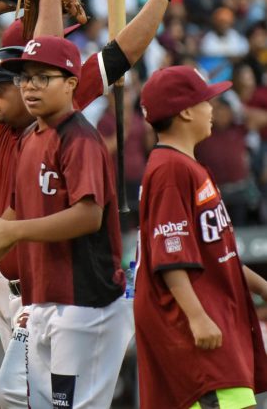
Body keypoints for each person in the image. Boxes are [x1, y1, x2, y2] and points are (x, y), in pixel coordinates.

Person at [0, 0, 203, 407]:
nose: (22, 85)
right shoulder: (3, 114)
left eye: (32, 76)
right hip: (14, 284)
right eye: (18, 76)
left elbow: (121, 51)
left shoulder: (63, 113)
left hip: (66, 294)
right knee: (27, 397)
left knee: (22, 394)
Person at [0, 36, 133, 408]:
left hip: (86, 301)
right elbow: (13, 214)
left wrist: (13, 231)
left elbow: (88, 215)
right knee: (16, 394)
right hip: (44, 300)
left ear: (71, 82)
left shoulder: (80, 137)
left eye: (42, 77)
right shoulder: (31, 139)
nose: (31, 86)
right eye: (25, 79)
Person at [135, 65, 267, 409]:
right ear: (186, 111)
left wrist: (262, 286)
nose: (212, 109)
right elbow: (170, 253)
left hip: (216, 325)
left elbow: (217, 254)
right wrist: (196, 316)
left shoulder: (186, 165)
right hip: (199, 336)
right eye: (207, 101)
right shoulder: (170, 169)